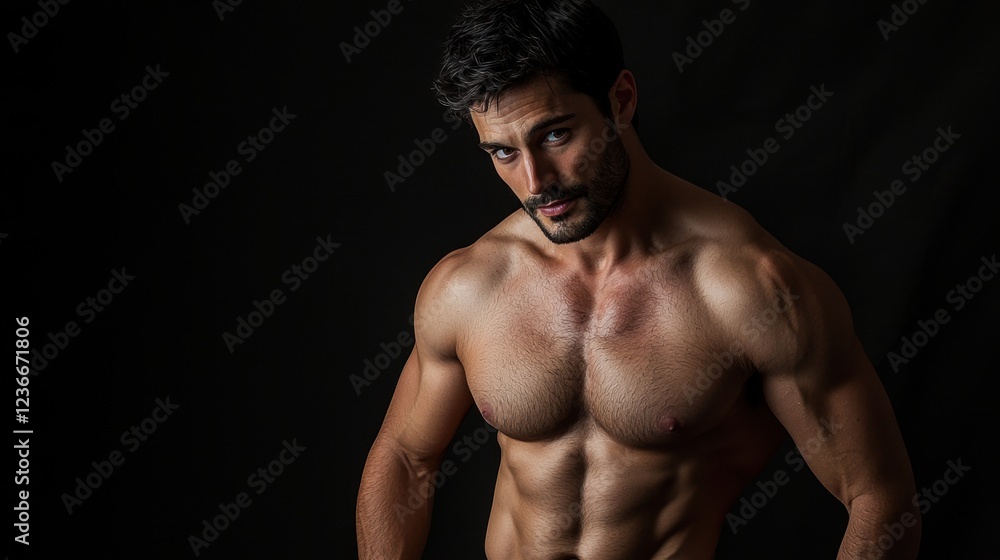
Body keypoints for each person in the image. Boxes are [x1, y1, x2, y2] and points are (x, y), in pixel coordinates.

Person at [356, 1, 920, 558]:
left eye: (555, 135)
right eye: (503, 152)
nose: (535, 182)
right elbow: (406, 455)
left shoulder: (750, 288)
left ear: (620, 101)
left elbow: (880, 499)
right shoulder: (469, 284)